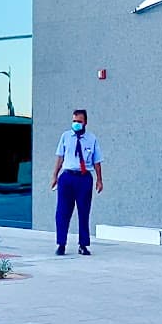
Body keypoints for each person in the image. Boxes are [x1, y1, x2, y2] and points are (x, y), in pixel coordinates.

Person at [48, 109, 103, 256]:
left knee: (84, 212)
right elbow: (60, 157)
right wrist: (55, 175)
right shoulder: (66, 136)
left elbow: (97, 161)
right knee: (62, 212)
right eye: (74, 121)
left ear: (85, 122)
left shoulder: (92, 139)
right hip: (67, 177)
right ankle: (61, 244)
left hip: (84, 178)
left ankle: (83, 245)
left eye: (79, 121)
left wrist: (99, 180)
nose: (76, 124)